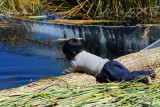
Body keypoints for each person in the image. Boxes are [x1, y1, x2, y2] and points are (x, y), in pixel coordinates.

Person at [62, 38, 159, 84]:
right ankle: (150, 73)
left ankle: (144, 77)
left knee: (124, 77)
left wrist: (62, 75)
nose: (67, 58)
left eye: (67, 56)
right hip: (110, 63)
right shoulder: (84, 52)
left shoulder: (75, 62)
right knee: (128, 73)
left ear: (73, 54)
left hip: (106, 70)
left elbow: (68, 72)